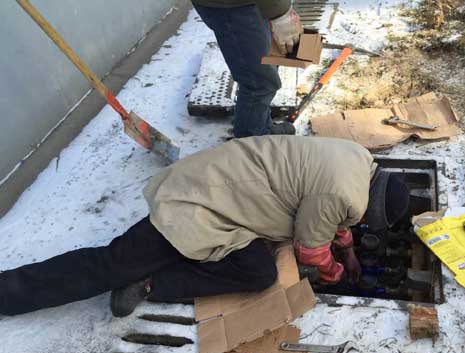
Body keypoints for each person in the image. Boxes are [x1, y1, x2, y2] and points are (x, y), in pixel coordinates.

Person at [0, 136, 410, 317]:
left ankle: (150, 285)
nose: (359, 222)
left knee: (258, 272)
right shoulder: (341, 195)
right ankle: (9, 293)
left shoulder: (357, 162)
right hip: (205, 197)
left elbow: (333, 219)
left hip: (238, 197)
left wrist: (349, 251)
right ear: (368, 208)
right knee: (113, 264)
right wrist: (335, 271)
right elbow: (311, 249)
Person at [191, 1, 302, 137]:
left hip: (249, 4)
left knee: (265, 65)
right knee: (259, 83)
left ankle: (260, 126)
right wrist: (279, 12)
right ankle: (252, 140)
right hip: (235, 6)